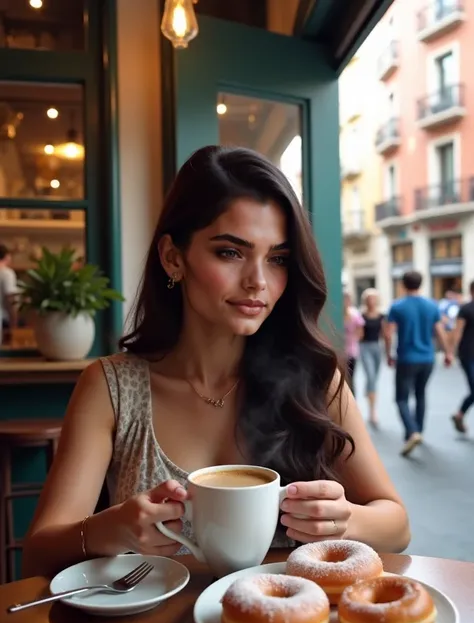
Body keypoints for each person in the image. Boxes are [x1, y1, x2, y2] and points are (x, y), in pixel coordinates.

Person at [23, 146, 410, 578]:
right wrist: (110, 530)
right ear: (173, 257)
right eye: (230, 252)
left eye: (278, 259)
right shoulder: (111, 388)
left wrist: (345, 521)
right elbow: (38, 555)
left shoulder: (316, 379)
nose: (258, 281)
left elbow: (397, 525)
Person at [384, 270, 452, 457]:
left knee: (401, 398)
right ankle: (418, 432)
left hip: (406, 359)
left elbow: (389, 333)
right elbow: (439, 331)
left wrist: (388, 354)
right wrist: (448, 353)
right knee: (421, 394)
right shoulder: (431, 305)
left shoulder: (397, 306)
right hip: (427, 358)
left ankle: (412, 432)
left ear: (403, 285)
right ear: (420, 284)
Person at [451, 280, 474, 434]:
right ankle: (459, 414)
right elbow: (457, 331)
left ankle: (459, 414)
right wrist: (450, 352)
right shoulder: (465, 309)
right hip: (468, 354)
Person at [359, 288, 384, 428]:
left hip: (377, 348)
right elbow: (359, 334)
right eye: (369, 299)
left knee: (374, 378)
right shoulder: (361, 316)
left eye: (374, 299)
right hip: (365, 347)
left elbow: (385, 334)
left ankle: (368, 391)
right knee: (371, 377)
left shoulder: (382, 316)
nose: (371, 302)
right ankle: (372, 411)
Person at [343, 291, 364, 395]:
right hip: (340, 351)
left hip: (351, 351)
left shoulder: (354, 314)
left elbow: (360, 332)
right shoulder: (337, 314)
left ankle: (352, 399)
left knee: (351, 377)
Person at [0, 244, 18, 344]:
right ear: (7, 256)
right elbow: (11, 299)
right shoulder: (7, 273)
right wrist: (14, 323)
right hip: (3, 320)